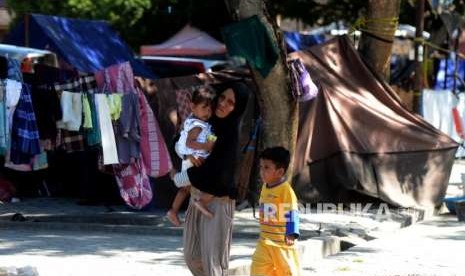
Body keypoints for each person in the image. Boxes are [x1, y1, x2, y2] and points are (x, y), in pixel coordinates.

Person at [173, 81, 249, 276]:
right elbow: (179, 140)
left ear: (237, 107)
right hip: (197, 197)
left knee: (213, 263)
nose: (223, 104)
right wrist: (186, 156)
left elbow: (223, 171)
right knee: (191, 257)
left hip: (217, 201)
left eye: (230, 102)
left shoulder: (230, 133)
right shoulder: (206, 122)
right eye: (222, 98)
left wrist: (183, 178)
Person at [167, 86, 217, 226]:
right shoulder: (197, 125)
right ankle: (175, 177)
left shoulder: (201, 123)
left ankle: (173, 211)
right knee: (188, 185)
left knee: (186, 189)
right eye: (204, 108)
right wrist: (206, 146)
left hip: (193, 159)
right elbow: (190, 142)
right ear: (192, 107)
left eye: (210, 108)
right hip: (193, 160)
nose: (208, 112)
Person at [251, 146, 301, 276]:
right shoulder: (265, 187)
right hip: (265, 242)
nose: (262, 171)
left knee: (288, 273)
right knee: (257, 270)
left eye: (266, 167)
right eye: (261, 167)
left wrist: (291, 233)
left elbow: (293, 212)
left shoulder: (286, 190)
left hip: (282, 245)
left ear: (279, 172)